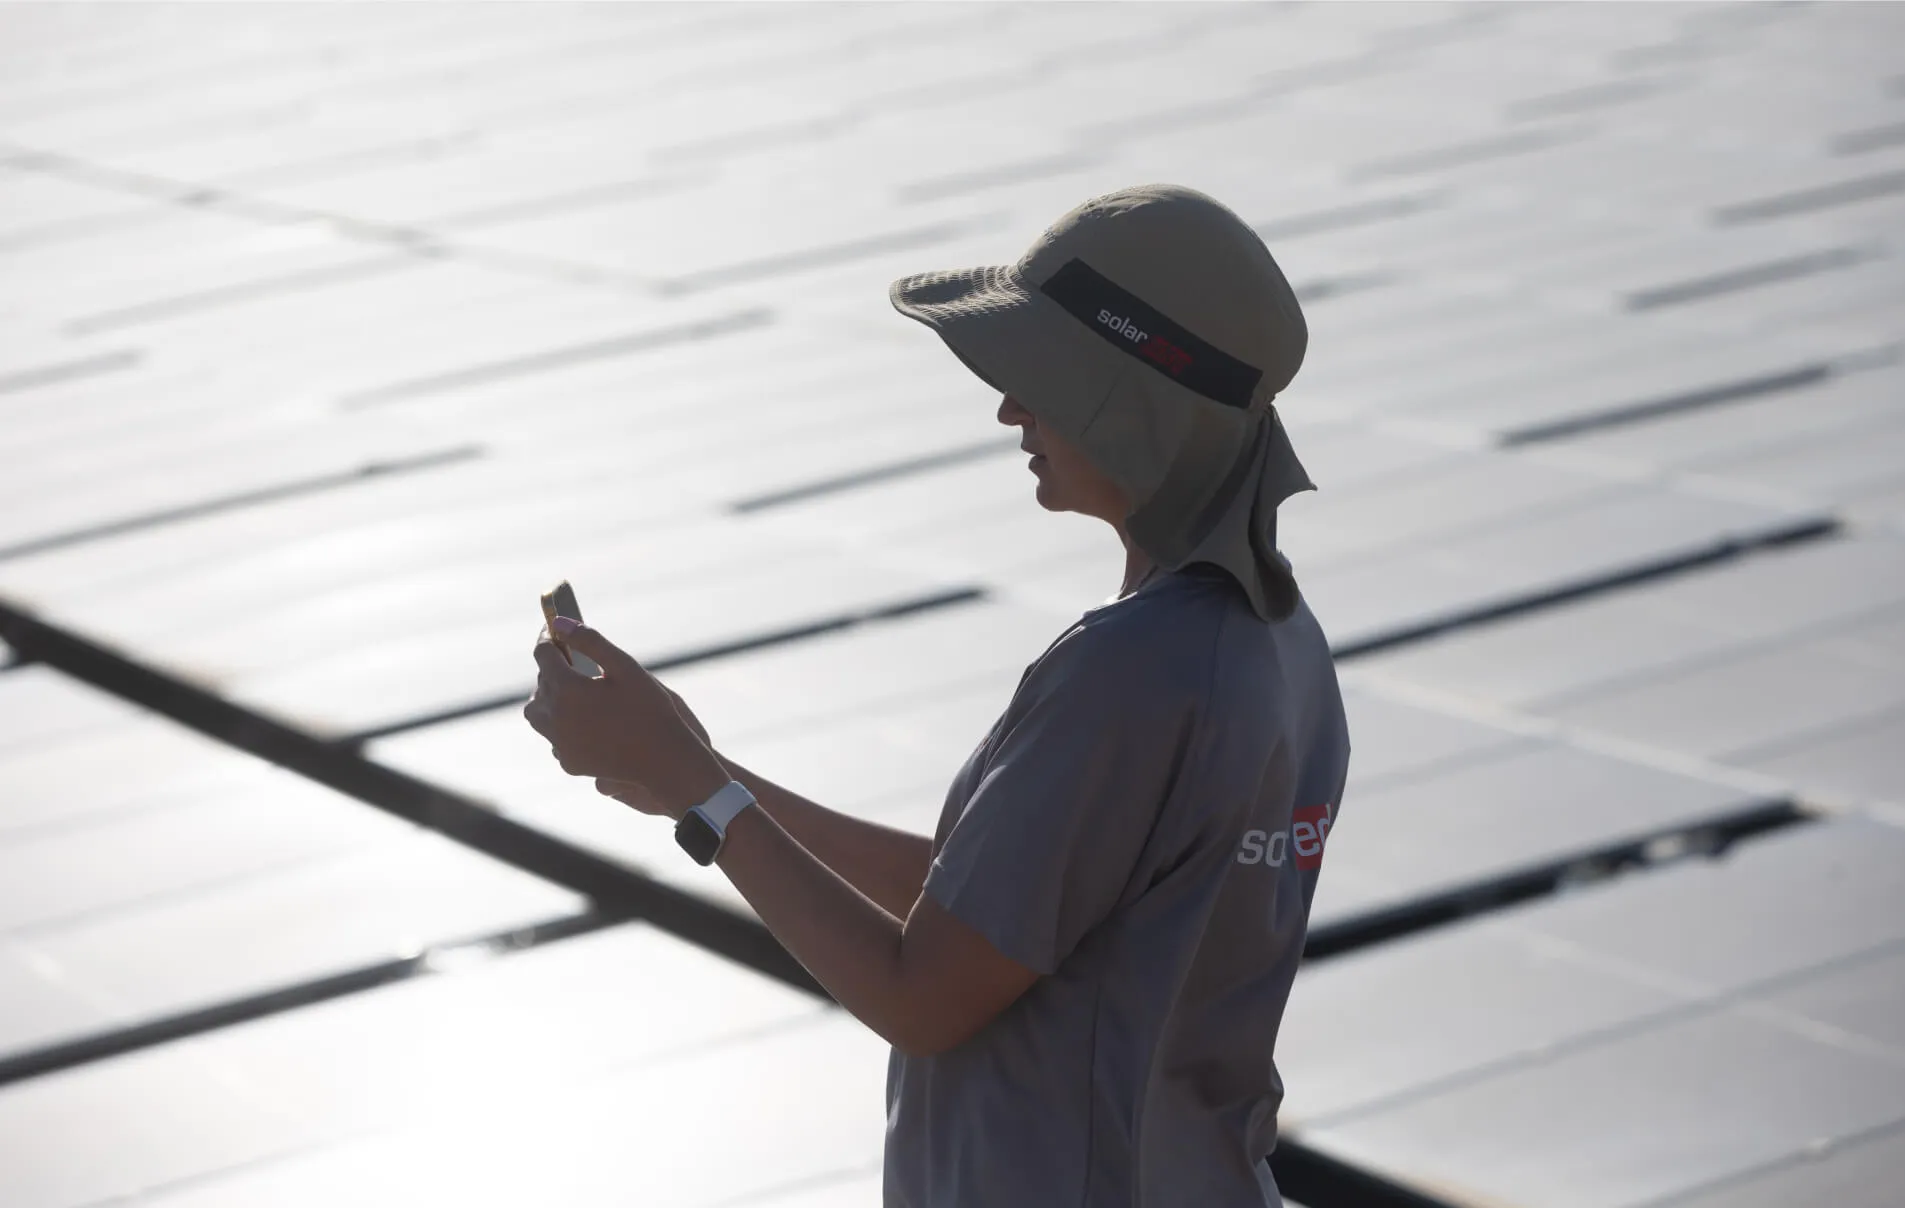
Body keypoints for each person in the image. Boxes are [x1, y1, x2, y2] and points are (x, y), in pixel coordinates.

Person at [524, 183, 1350, 1208]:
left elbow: (925, 994)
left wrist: (701, 792)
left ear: (1131, 400)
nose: (1011, 406)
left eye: (1044, 375)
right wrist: (689, 765)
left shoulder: (1134, 669)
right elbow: (983, 904)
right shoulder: (1276, 640)